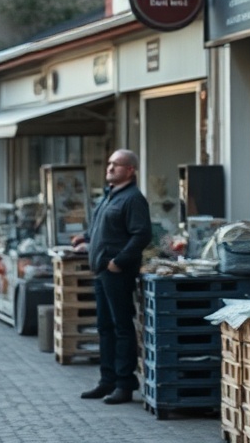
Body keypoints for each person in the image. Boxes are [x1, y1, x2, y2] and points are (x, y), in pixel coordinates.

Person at [72, 149, 152, 405]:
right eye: (109, 163)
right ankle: (107, 380)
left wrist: (119, 261)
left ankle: (124, 384)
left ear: (129, 170)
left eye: (115, 165)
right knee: (105, 328)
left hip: (117, 272)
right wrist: (86, 239)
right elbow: (101, 228)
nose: (109, 168)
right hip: (101, 271)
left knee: (121, 328)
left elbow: (142, 235)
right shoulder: (110, 195)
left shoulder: (133, 198)